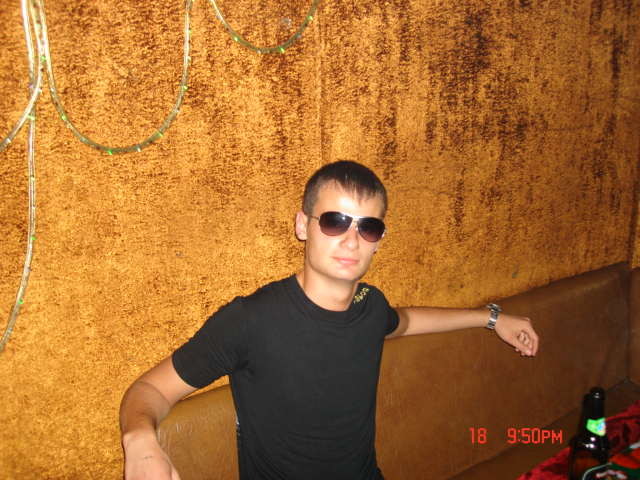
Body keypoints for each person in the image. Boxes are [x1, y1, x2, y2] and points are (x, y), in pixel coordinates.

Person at [119, 160, 539, 480]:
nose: (351, 240)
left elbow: (407, 321)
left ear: (379, 241)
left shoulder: (370, 306)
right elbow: (150, 390)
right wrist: (140, 442)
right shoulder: (251, 320)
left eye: (368, 227)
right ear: (303, 225)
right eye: (335, 221)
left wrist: (491, 318)